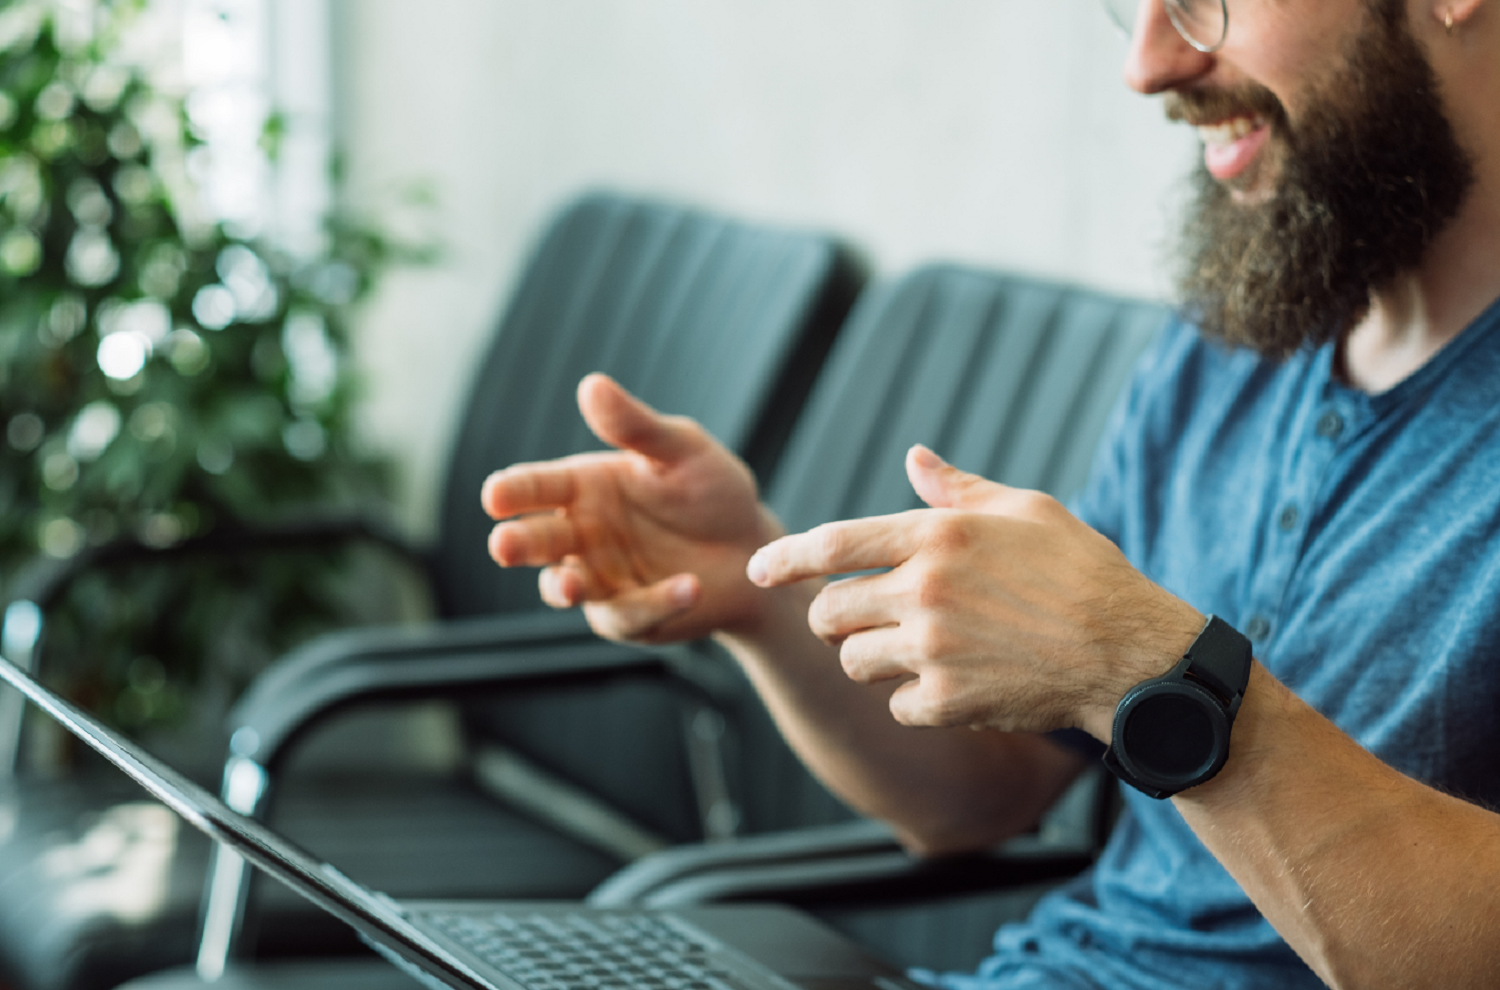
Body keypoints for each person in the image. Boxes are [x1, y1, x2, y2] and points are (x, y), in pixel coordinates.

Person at [481, 0, 1500, 986]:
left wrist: (1162, 681)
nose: (1146, 64)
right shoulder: (1233, 340)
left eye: (1205, 0)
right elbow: (983, 800)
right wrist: (757, 591)